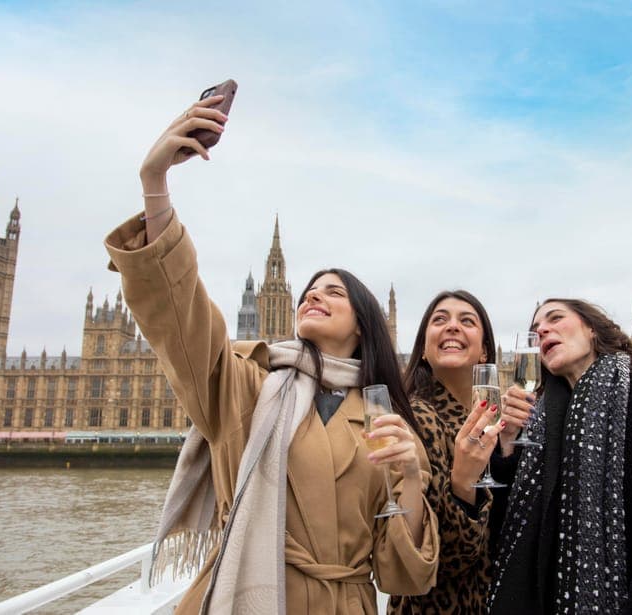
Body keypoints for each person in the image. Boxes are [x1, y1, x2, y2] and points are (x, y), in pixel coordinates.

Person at [105, 93, 439, 614]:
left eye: (334, 292)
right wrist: (155, 187)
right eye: (310, 289)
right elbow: (181, 320)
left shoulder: (383, 418)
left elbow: (401, 575)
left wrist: (413, 479)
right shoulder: (249, 384)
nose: (313, 295)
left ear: (365, 323)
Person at [489, 299, 632, 614]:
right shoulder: (543, 423)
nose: (542, 329)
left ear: (593, 330)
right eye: (535, 330)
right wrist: (506, 445)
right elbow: (508, 533)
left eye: (556, 318)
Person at [389, 290, 506, 614]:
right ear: (423, 350)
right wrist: (464, 481)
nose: (452, 326)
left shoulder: (497, 422)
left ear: (485, 351)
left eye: (466, 320)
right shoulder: (414, 422)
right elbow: (439, 559)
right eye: (439, 320)